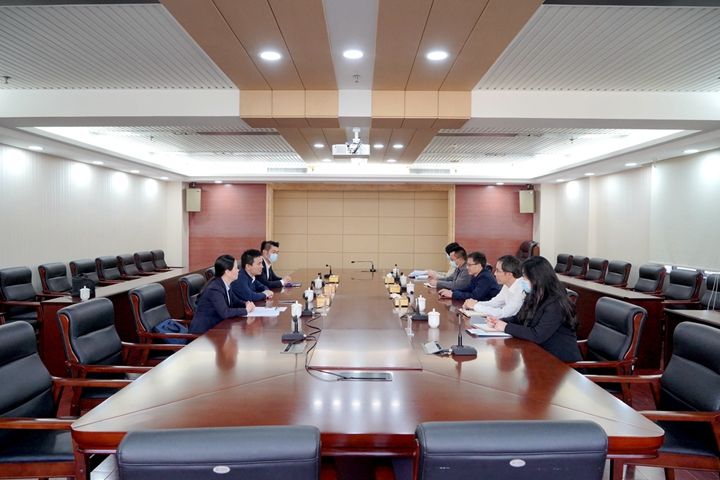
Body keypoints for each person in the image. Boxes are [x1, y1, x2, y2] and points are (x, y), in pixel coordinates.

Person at [486, 256, 582, 362]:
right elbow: (519, 318)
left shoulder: (556, 304)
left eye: (525, 277)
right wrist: (498, 321)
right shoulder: (533, 296)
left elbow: (537, 335)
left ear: (538, 279)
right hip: (538, 355)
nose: (522, 281)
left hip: (560, 363)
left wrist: (505, 327)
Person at [189, 255, 255, 335]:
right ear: (227, 272)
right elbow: (225, 312)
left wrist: (246, 304)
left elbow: (235, 301)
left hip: (216, 329)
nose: (238, 270)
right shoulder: (215, 289)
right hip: (204, 334)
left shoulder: (225, 284)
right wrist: (245, 310)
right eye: (236, 268)